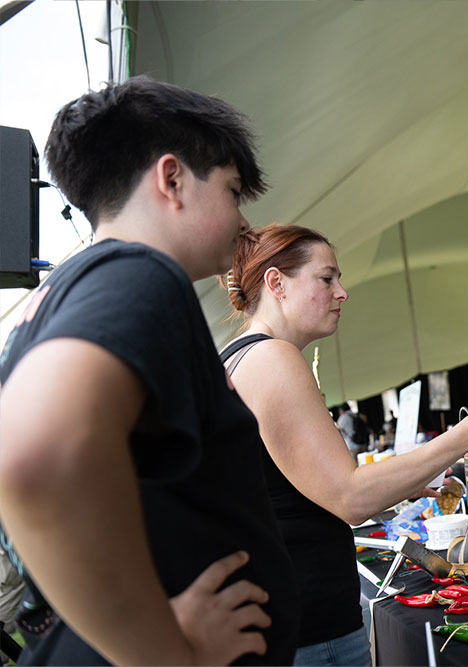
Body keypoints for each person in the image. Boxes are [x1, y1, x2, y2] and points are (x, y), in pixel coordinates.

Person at [0, 76, 298, 664]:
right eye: (234, 190)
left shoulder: (62, 292)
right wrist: (167, 654)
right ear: (172, 179)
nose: (243, 222)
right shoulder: (138, 274)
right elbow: (33, 457)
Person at [221, 223, 468, 666]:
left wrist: (399, 483)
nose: (342, 292)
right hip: (310, 626)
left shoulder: (238, 356)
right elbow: (350, 497)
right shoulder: (273, 359)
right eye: (326, 278)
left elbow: (301, 490)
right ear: (276, 282)